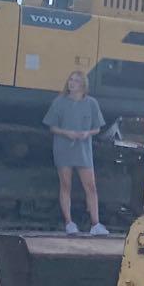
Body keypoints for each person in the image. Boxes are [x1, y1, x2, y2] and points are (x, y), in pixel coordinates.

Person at [44, 69, 108, 235]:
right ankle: (69, 223)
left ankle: (95, 224)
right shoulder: (59, 102)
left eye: (76, 81)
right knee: (66, 185)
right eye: (71, 80)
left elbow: (97, 128)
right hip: (63, 148)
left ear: (83, 85)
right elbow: (52, 127)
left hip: (83, 150)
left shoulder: (92, 103)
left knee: (91, 186)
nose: (72, 83)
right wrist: (67, 133)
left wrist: (87, 133)